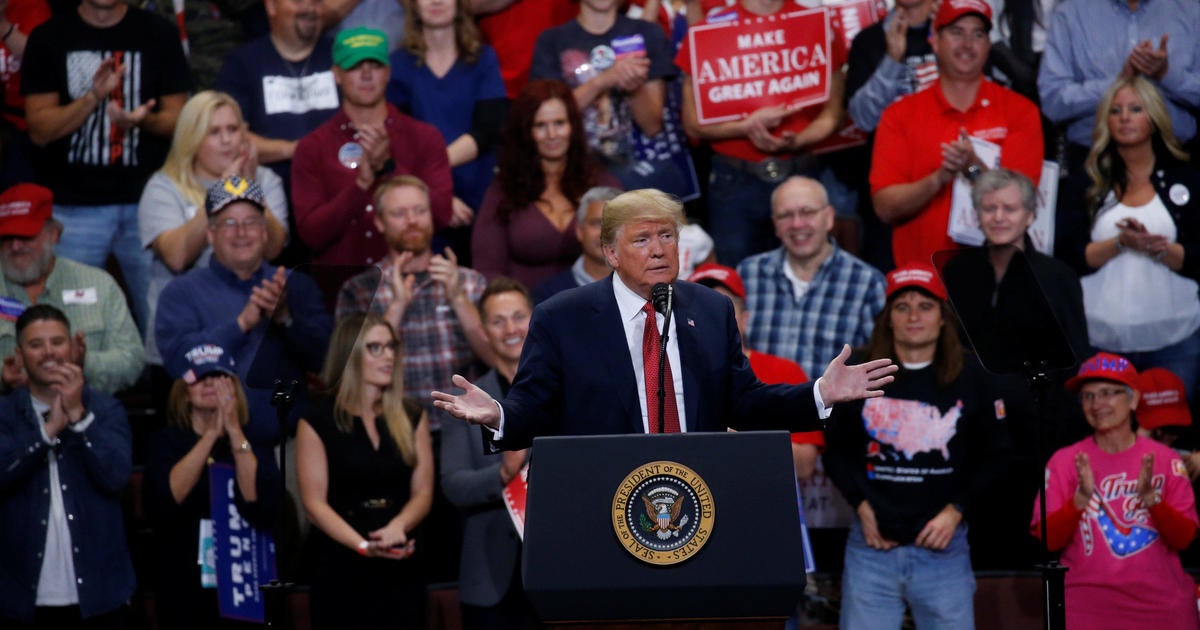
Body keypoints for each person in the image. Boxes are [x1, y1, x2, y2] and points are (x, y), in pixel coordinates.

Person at [433, 188, 899, 449]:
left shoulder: (712, 310)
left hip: (699, 495)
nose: (658, 249)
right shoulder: (562, 317)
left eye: (667, 235)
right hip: (606, 502)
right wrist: (498, 415)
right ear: (610, 252)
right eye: (641, 240)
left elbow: (745, 402)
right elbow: (534, 409)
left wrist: (819, 393)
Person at [822, 262, 1009, 630]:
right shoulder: (861, 370)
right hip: (872, 547)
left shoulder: (974, 375)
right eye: (902, 307)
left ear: (943, 317)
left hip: (944, 548)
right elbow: (835, 451)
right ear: (888, 318)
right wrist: (860, 505)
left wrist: (956, 511)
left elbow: (997, 454)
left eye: (925, 306)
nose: (913, 316)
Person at [939, 167, 1090, 569]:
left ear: (1030, 214)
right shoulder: (958, 271)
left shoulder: (1059, 276)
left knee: (1036, 541)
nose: (999, 216)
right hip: (976, 432)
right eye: (989, 208)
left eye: (1010, 208)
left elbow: (1076, 356)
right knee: (980, 548)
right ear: (977, 216)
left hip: (1042, 430)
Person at [21, 0, 192, 330]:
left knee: (165, 321)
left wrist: (141, 121)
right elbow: (40, 130)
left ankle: (164, 384)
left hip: (148, 205)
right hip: (74, 208)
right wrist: (92, 98)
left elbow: (178, 121)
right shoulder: (49, 37)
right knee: (71, 325)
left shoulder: (159, 34)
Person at [155, 176, 331, 447]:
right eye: (229, 223)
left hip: (289, 446)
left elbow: (328, 360)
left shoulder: (295, 285)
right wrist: (240, 325)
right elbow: (178, 361)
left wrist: (285, 318)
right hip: (211, 446)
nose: (241, 232)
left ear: (264, 232)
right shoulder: (181, 293)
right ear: (210, 234)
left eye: (250, 222)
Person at [1032, 352, 1200, 629]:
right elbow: (1047, 541)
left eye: (1108, 393)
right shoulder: (1065, 461)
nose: (1097, 404)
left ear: (1133, 399)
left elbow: (1184, 539)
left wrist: (1151, 499)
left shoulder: (1166, 459)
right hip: (1086, 607)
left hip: (1161, 608)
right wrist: (1080, 500)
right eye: (1088, 396)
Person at [870, 0, 1042, 268]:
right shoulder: (899, 115)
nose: (967, 43)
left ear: (988, 45)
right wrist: (938, 179)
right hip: (925, 284)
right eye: (956, 32)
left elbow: (1021, 203)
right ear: (934, 41)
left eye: (978, 34)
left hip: (998, 278)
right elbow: (884, 207)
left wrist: (973, 168)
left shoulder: (1020, 112)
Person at [676, 0, 847, 265]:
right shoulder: (709, 29)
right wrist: (745, 127)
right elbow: (692, 122)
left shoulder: (815, 22)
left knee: (812, 270)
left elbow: (833, 115)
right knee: (736, 282)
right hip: (733, 182)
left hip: (800, 171)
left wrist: (799, 139)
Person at [296, 312, 434, 630]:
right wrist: (363, 546)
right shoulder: (318, 420)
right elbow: (315, 504)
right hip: (341, 563)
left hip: (402, 559)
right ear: (350, 355)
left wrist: (399, 526)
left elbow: (423, 492)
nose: (388, 355)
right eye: (375, 348)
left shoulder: (411, 415)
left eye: (391, 347)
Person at [0, 305, 135, 629]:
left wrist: (78, 416)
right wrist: (46, 433)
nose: (48, 353)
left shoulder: (105, 409)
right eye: (35, 345)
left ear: (74, 347)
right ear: (19, 355)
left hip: (100, 598)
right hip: (19, 599)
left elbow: (115, 476)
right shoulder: (4, 414)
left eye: (57, 342)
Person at [139, 90, 289, 366]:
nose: (227, 140)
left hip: (253, 340)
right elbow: (177, 257)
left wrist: (248, 188)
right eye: (214, 132)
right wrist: (223, 190)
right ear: (191, 140)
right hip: (183, 339)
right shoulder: (163, 187)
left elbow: (273, 247)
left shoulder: (265, 180)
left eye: (233, 129)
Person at [1075, 76, 1200, 403]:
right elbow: (1067, 256)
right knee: (1109, 442)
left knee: (1169, 443)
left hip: (1176, 341)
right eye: (1115, 111)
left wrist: (1158, 249)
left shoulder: (1186, 178)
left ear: (1154, 118)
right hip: (1101, 339)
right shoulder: (1089, 182)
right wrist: (1120, 243)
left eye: (1134, 109)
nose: (1125, 118)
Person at [143, 343, 281, 630]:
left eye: (218, 376)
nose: (209, 383)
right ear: (184, 389)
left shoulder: (254, 439)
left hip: (245, 580)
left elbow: (260, 504)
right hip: (184, 582)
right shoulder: (166, 441)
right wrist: (210, 436)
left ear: (234, 385)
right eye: (200, 377)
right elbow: (168, 498)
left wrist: (233, 432)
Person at [336, 174, 493, 423]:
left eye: (419, 211)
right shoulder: (360, 290)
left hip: (464, 423)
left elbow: (497, 359)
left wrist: (458, 299)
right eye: (399, 214)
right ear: (379, 222)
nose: (412, 221)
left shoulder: (469, 282)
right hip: (392, 425)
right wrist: (397, 306)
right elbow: (348, 372)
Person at [292, 26, 453, 266]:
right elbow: (312, 234)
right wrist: (361, 185)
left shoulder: (424, 137)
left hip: (412, 282)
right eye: (355, 66)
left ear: (388, 72)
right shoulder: (312, 147)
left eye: (375, 65)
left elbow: (440, 215)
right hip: (339, 287)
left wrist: (389, 167)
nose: (366, 75)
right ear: (336, 74)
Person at [440, 277, 537, 629]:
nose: (511, 329)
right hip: (490, 579)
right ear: (484, 331)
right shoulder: (466, 401)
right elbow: (454, 485)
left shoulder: (567, 388)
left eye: (518, 316)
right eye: (498, 321)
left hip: (558, 571)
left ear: (534, 319)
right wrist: (501, 474)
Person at [472, 79, 621, 290]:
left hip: (595, 309)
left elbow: (628, 252)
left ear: (573, 126)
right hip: (526, 313)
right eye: (541, 125)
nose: (552, 135)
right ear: (526, 131)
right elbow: (488, 270)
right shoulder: (504, 189)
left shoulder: (602, 183)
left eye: (559, 123)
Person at [738, 176, 886, 381]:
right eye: (786, 215)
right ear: (775, 224)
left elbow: (879, 361)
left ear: (829, 217)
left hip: (832, 410)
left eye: (807, 212)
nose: (797, 224)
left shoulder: (867, 283)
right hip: (760, 407)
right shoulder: (748, 274)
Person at [0, 183, 143, 395]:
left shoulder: (99, 284)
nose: (15, 246)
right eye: (7, 237)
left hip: (86, 409)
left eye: (26, 236)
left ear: (54, 234)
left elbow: (133, 362)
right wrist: (3, 375)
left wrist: (85, 362)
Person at [687, 262, 819, 480]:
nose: (709, 318)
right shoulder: (667, 372)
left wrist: (736, 438)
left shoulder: (784, 371)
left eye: (720, 309)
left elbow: (805, 466)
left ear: (745, 320)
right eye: (700, 309)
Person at [529, 0, 678, 192]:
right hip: (573, 175)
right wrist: (603, 81)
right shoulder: (551, 41)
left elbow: (652, 126)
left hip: (637, 178)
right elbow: (547, 118)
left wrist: (633, 88)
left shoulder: (647, 33)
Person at [388, 0, 507, 231]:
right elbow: (399, 143)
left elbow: (488, 131)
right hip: (420, 204)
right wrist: (437, 195)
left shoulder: (484, 59)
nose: (436, 1)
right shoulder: (399, 65)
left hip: (480, 197)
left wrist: (434, 167)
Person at [215, 0, 339, 194]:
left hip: (336, 188)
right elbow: (230, 137)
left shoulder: (341, 56)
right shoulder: (242, 63)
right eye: (298, 1)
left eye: (316, 2)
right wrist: (296, 149)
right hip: (269, 192)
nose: (309, 9)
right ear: (271, 6)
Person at [532, 185, 620, 304]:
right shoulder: (549, 296)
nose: (605, 233)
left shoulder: (646, 287)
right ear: (579, 231)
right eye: (597, 223)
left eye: (613, 224)